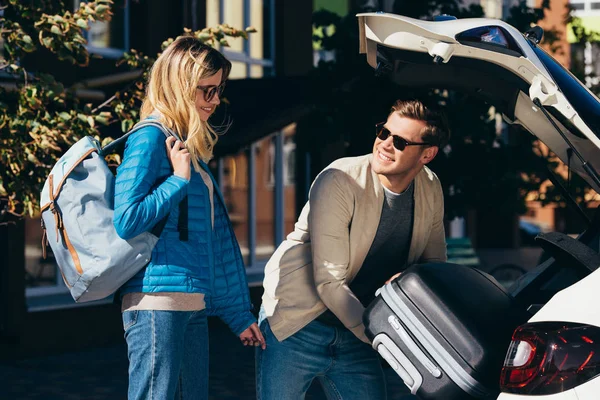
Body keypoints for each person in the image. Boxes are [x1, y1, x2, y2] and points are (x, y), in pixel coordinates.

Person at [255, 99, 450, 399]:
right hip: (297, 324)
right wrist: (385, 342)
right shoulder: (340, 180)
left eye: (399, 141)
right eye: (383, 132)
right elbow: (329, 282)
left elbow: (433, 267)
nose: (385, 144)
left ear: (427, 154)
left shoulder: (430, 187)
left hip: (356, 334)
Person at [113, 35, 265, 400]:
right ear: (179, 86)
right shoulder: (150, 138)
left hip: (191, 302)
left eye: (218, 91)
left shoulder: (185, 147)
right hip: (157, 303)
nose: (214, 101)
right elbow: (127, 219)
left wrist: (238, 314)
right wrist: (178, 181)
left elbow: (211, 242)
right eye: (206, 91)